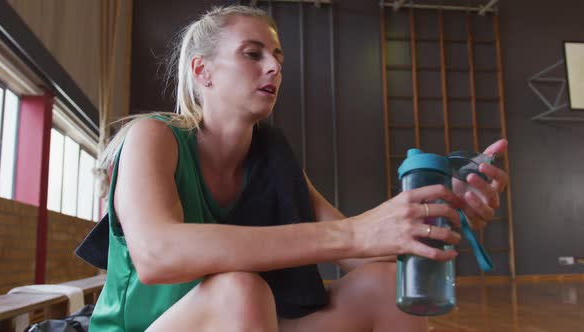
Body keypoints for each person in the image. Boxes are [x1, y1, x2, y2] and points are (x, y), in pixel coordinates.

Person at [88, 5, 509, 332]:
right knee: (240, 289)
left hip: (246, 320)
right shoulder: (152, 136)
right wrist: (351, 232)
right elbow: (157, 255)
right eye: (253, 54)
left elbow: (360, 257)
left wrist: (439, 212)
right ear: (203, 70)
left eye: (277, 57)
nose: (274, 67)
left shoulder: (272, 155)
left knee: (385, 285)